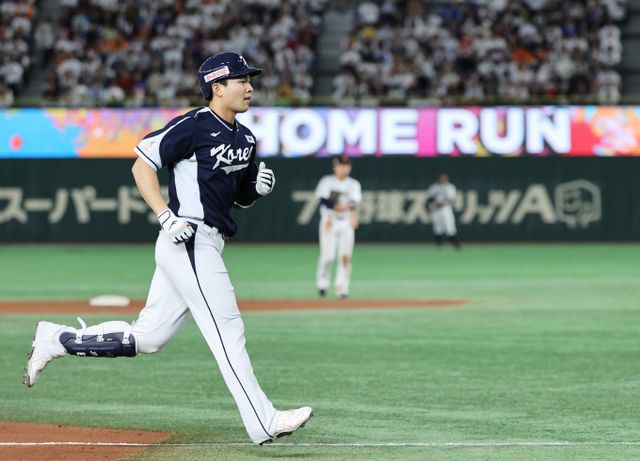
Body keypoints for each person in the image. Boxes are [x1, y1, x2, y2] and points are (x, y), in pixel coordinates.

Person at [23, 52, 313, 446]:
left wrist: (255, 191)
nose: (249, 87)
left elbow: (236, 197)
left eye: (249, 79)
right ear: (217, 87)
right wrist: (165, 216)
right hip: (188, 238)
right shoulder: (194, 125)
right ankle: (264, 421)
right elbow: (142, 164)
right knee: (228, 330)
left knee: (148, 338)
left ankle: (56, 339)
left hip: (210, 241)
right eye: (241, 80)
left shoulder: (245, 138)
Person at [314, 154, 362, 298]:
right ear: (335, 167)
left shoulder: (354, 184)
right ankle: (322, 283)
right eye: (340, 165)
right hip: (329, 220)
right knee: (328, 256)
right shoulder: (327, 182)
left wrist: (353, 216)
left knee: (345, 257)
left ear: (349, 168)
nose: (343, 168)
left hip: (346, 221)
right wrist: (336, 207)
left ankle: (342, 288)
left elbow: (354, 203)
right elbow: (322, 200)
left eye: (346, 166)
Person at [426, 172, 461, 249]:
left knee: (449, 226)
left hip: (446, 209)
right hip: (435, 210)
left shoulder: (450, 187)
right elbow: (429, 199)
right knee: (437, 227)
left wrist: (440, 204)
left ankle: (455, 243)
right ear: (439, 179)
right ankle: (439, 244)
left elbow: (451, 199)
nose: (443, 179)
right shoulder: (434, 187)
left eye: (444, 178)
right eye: (441, 178)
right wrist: (433, 204)